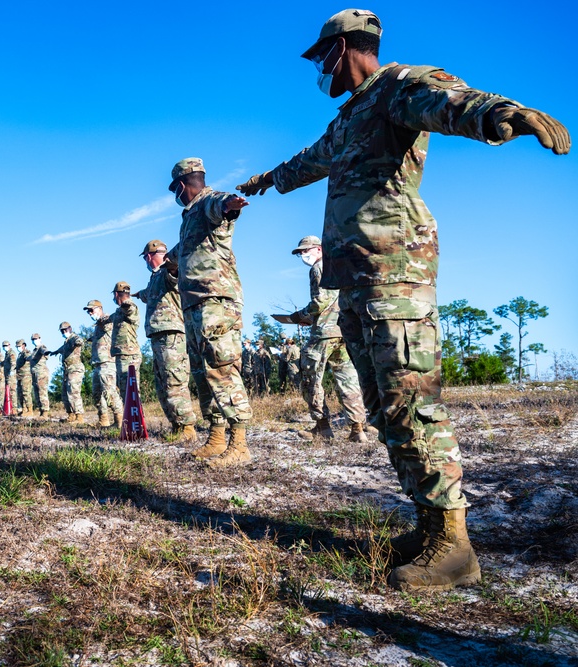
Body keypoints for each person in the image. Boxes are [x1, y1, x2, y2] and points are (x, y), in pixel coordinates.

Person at [237, 8, 569, 591]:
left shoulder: (396, 86)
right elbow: (308, 162)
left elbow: (450, 99)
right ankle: (429, 525)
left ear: (344, 49)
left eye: (321, 59)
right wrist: (267, 180)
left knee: (414, 401)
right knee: (388, 406)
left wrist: (502, 114)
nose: (318, 70)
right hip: (356, 282)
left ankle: (454, 545)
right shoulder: (348, 119)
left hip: (396, 274)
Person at [167, 158, 252, 467]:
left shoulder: (207, 202)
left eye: (175, 189)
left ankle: (239, 442)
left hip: (216, 299)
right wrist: (168, 261)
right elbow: (181, 252)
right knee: (202, 372)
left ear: (181, 185)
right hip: (194, 303)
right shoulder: (188, 218)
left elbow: (223, 205)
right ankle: (216, 436)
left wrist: (231, 204)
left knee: (221, 366)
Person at [286, 235, 367, 442]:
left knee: (310, 377)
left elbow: (320, 301)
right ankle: (357, 429)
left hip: (323, 333)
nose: (303, 255)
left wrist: (300, 316)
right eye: (300, 253)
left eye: (306, 250)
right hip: (343, 331)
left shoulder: (318, 268)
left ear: (320, 249)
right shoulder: (341, 267)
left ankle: (322, 426)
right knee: (347, 379)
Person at [133, 240, 197, 441]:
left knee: (174, 381)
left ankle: (187, 427)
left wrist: (169, 259)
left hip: (171, 335)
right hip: (157, 335)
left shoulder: (168, 272)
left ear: (151, 255)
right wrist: (135, 295)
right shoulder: (154, 279)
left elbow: (174, 273)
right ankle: (176, 425)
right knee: (162, 384)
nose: (145, 260)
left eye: (146, 256)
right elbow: (146, 295)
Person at [84, 299, 124, 427]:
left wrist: (100, 320)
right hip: (98, 364)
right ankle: (103, 420)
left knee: (109, 393)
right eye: (88, 311)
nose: (90, 313)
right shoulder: (98, 326)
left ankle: (120, 421)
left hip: (107, 363)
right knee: (97, 394)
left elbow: (108, 325)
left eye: (92, 310)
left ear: (99, 309)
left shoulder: (106, 320)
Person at [110, 281, 142, 399]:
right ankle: (130, 416)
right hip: (122, 355)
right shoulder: (119, 311)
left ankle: (136, 417)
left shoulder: (129, 306)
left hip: (129, 355)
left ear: (117, 294)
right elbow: (110, 318)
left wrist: (125, 303)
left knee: (131, 390)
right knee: (125, 390)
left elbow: (130, 309)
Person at [49, 322, 85, 422]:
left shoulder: (74, 338)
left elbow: (80, 341)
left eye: (65, 330)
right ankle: (71, 415)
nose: (64, 332)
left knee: (74, 392)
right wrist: (55, 352)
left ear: (70, 328)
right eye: (62, 331)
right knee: (65, 393)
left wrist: (78, 342)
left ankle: (79, 416)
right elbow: (62, 349)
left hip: (75, 368)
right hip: (67, 370)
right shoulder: (67, 341)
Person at [30, 333, 51, 417]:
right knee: (37, 393)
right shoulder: (34, 350)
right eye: (33, 339)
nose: (34, 340)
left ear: (40, 338)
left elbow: (45, 351)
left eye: (36, 339)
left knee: (42, 392)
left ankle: (45, 412)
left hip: (41, 373)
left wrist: (45, 353)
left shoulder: (41, 347)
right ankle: (41, 412)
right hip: (35, 374)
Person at [14, 339, 34, 417]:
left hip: (26, 376)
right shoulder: (19, 354)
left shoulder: (26, 352)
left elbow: (28, 357)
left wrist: (29, 358)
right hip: (19, 377)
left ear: (24, 345)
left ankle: (30, 410)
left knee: (26, 393)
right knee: (20, 394)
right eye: (17, 346)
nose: (18, 347)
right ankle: (24, 409)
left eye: (19, 346)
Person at [0, 340, 16, 410]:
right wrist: (1, 363)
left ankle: (14, 408)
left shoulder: (11, 353)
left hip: (11, 376)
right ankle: (10, 409)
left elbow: (13, 363)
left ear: (9, 345)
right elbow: (6, 363)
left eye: (6, 346)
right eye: (3, 346)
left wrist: (12, 371)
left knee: (12, 392)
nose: (5, 347)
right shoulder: (7, 354)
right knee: (8, 392)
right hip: (7, 376)